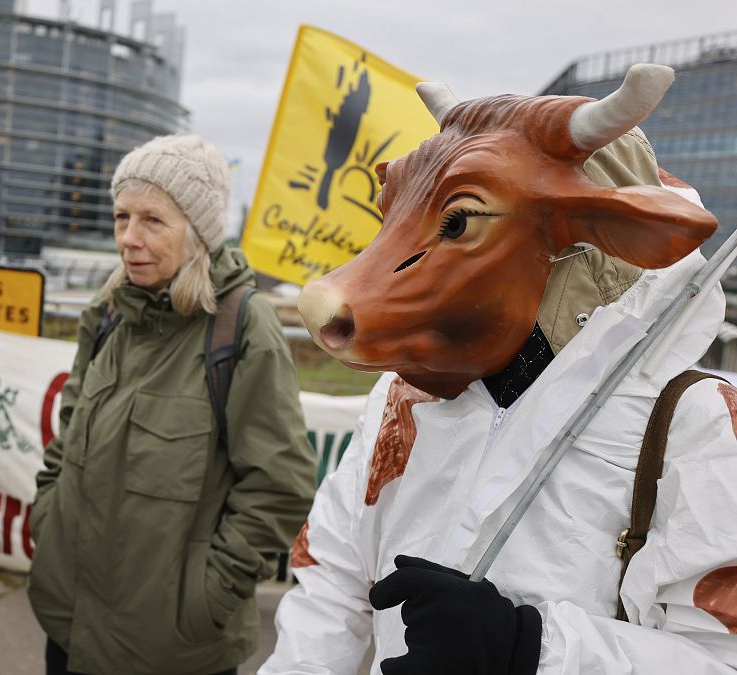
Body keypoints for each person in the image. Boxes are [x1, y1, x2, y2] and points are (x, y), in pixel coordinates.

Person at [266, 73, 737, 673]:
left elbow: (722, 658)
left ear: (595, 233)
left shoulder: (698, 423)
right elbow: (329, 579)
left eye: (459, 221)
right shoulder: (401, 399)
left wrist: (527, 648)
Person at [27, 134, 317, 675]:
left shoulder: (242, 329)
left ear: (199, 232)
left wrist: (207, 598)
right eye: (121, 217)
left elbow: (281, 485)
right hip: (67, 624)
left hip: (174, 650)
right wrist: (48, 519)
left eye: (152, 221)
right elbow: (68, 436)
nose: (128, 238)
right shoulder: (108, 313)